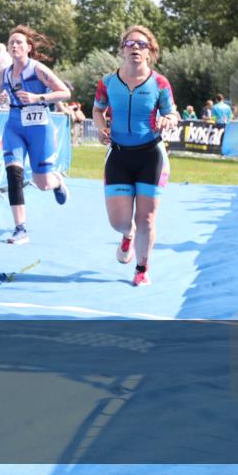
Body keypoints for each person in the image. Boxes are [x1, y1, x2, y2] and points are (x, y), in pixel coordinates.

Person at [92, 25, 178, 287]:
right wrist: (100, 129)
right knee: (119, 222)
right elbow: (97, 111)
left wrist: (168, 120)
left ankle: (141, 268)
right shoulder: (107, 82)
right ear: (122, 50)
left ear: (150, 51)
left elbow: (173, 114)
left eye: (141, 44)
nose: (135, 48)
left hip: (151, 155)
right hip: (118, 155)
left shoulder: (160, 83)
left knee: (146, 218)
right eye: (130, 44)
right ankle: (126, 235)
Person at [0, 25, 71, 245]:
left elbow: (65, 92)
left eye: (19, 42)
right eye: (11, 43)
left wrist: (38, 98)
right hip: (14, 125)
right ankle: (20, 228)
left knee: (41, 182)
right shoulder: (4, 73)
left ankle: (57, 182)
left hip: (39, 127)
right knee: (13, 174)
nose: (15, 45)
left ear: (28, 47)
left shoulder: (38, 69)